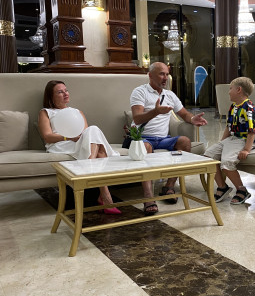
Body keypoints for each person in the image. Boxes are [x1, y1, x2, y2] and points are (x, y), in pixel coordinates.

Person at [129, 62, 207, 216]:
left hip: (163, 139)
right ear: (150, 75)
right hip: (142, 138)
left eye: (166, 74)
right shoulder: (139, 92)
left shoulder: (170, 95)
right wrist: (156, 111)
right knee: (146, 147)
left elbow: (184, 114)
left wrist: (193, 119)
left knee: (184, 141)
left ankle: (169, 186)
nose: (165, 78)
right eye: (161, 74)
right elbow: (137, 119)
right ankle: (148, 196)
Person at [38, 80, 121, 214]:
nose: (65, 94)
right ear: (51, 96)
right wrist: (68, 137)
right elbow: (47, 136)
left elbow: (87, 134)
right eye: (60, 92)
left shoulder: (77, 112)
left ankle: (89, 167)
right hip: (60, 144)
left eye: (66, 90)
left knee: (93, 129)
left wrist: (77, 137)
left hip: (78, 143)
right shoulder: (46, 112)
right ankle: (105, 196)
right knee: (100, 151)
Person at [204, 77, 255, 205]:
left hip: (244, 139)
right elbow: (228, 127)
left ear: (239, 90)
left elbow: (252, 131)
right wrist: (222, 143)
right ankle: (222, 187)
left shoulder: (249, 108)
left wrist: (246, 149)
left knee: (227, 162)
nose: (229, 92)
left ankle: (242, 190)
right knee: (208, 156)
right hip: (232, 139)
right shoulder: (233, 107)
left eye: (231, 89)